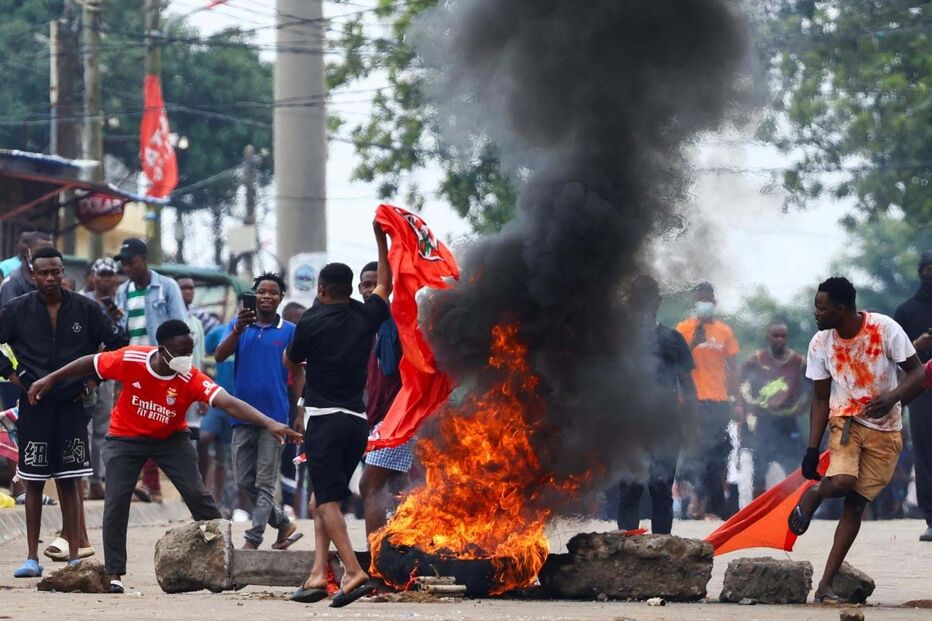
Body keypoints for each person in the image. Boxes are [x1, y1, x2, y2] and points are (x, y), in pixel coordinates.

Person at [27, 319, 302, 593]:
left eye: (190, 351)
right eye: (180, 352)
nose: (186, 358)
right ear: (161, 350)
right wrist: (50, 378)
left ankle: (226, 562)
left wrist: (270, 423)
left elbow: (228, 402)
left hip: (171, 439)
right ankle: (114, 572)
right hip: (126, 438)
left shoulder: (190, 377)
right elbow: (90, 362)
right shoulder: (131, 358)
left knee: (198, 495)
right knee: (116, 501)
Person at [788, 277, 921, 603]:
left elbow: (918, 373)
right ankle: (817, 493)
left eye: (821, 308)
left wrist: (892, 398)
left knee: (856, 506)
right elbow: (820, 399)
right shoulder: (820, 343)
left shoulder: (884, 329)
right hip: (845, 421)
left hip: (887, 429)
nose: (816, 313)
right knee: (843, 480)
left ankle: (825, 586)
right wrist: (811, 447)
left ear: (841, 309)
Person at [0, 247, 127, 577]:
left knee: (70, 481)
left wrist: (94, 378)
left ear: (63, 273)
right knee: (34, 481)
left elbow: (118, 342)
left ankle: (74, 555)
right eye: (44, 272)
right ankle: (31, 557)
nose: (51, 278)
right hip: (34, 405)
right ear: (32, 274)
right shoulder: (17, 309)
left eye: (56, 271)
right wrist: (13, 377)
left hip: (73, 404)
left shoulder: (86, 308)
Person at [284, 222, 393, 606]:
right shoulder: (366, 316)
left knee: (328, 500)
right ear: (350, 289)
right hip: (357, 423)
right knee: (321, 498)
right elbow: (384, 287)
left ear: (321, 289)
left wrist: (298, 399)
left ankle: (352, 571)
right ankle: (317, 575)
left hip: (325, 420)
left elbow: (291, 359)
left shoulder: (310, 323)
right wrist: (383, 240)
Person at [215, 273, 301, 550]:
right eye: (261, 292)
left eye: (272, 292)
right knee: (244, 480)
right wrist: (238, 329)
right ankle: (283, 523)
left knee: (265, 482)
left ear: (280, 298)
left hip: (275, 418)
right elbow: (219, 355)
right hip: (241, 414)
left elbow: (299, 370)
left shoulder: (289, 330)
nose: (266, 296)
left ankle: (253, 539)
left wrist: (296, 408)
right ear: (253, 295)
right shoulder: (240, 325)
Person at [617, 275, 697, 534]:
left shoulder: (673, 339)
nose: (643, 305)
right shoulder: (619, 340)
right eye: (637, 299)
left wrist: (692, 421)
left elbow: (688, 384)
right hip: (630, 424)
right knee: (631, 487)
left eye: (648, 299)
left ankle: (662, 547)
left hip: (666, 424)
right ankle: (625, 547)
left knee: (661, 488)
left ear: (657, 302)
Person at [114, 238, 187, 503]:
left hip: (158, 366)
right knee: (133, 424)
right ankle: (144, 484)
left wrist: (176, 364)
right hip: (131, 366)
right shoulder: (123, 291)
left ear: (144, 259)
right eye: (124, 263)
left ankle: (152, 484)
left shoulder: (166, 287)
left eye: (131, 262)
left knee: (155, 422)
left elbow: (181, 327)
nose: (127, 267)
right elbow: (122, 330)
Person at [676, 282, 743, 520]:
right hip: (693, 402)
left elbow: (733, 369)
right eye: (700, 299)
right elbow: (677, 363)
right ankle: (693, 504)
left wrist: (738, 400)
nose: (704, 303)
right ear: (695, 303)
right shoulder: (683, 329)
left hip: (719, 402)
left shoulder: (724, 331)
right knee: (695, 453)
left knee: (719, 454)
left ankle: (710, 506)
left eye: (708, 299)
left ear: (714, 303)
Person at [356, 261, 408, 537]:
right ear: (359, 289)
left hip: (398, 419)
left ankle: (378, 558)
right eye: (366, 284)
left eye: (378, 283)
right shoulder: (361, 327)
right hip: (370, 418)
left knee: (371, 487)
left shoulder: (398, 321)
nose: (371, 289)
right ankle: (397, 552)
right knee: (397, 490)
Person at [740, 322, 808, 497]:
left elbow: (817, 385)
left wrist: (804, 405)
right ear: (767, 337)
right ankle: (757, 513)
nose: (779, 339)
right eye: (775, 335)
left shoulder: (798, 361)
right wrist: (746, 404)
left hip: (788, 422)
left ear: (787, 338)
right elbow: (737, 381)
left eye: (783, 336)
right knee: (759, 470)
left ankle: (792, 509)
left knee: (794, 470)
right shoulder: (756, 359)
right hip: (764, 422)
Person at [893, 250, 932, 541]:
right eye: (928, 269)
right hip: (921, 389)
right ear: (920, 272)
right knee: (925, 452)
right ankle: (931, 518)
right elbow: (894, 359)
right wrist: (917, 345)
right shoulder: (906, 311)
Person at [82, 258, 124, 501]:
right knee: (83, 426)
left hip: (108, 372)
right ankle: (84, 480)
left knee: (103, 427)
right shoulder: (81, 300)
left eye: (112, 274)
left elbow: (123, 337)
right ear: (93, 277)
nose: (107, 278)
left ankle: (98, 480)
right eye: (103, 273)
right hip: (84, 369)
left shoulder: (121, 305)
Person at [280, 301, 307, 516]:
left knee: (293, 452)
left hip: (298, 400)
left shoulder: (306, 342)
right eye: (297, 320)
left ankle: (290, 503)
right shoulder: (281, 339)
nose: (301, 325)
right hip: (282, 396)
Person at [0, 231, 54, 307]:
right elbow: (10, 316)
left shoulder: (56, 279)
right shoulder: (13, 282)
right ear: (28, 252)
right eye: (39, 251)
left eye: (50, 252)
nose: (45, 255)